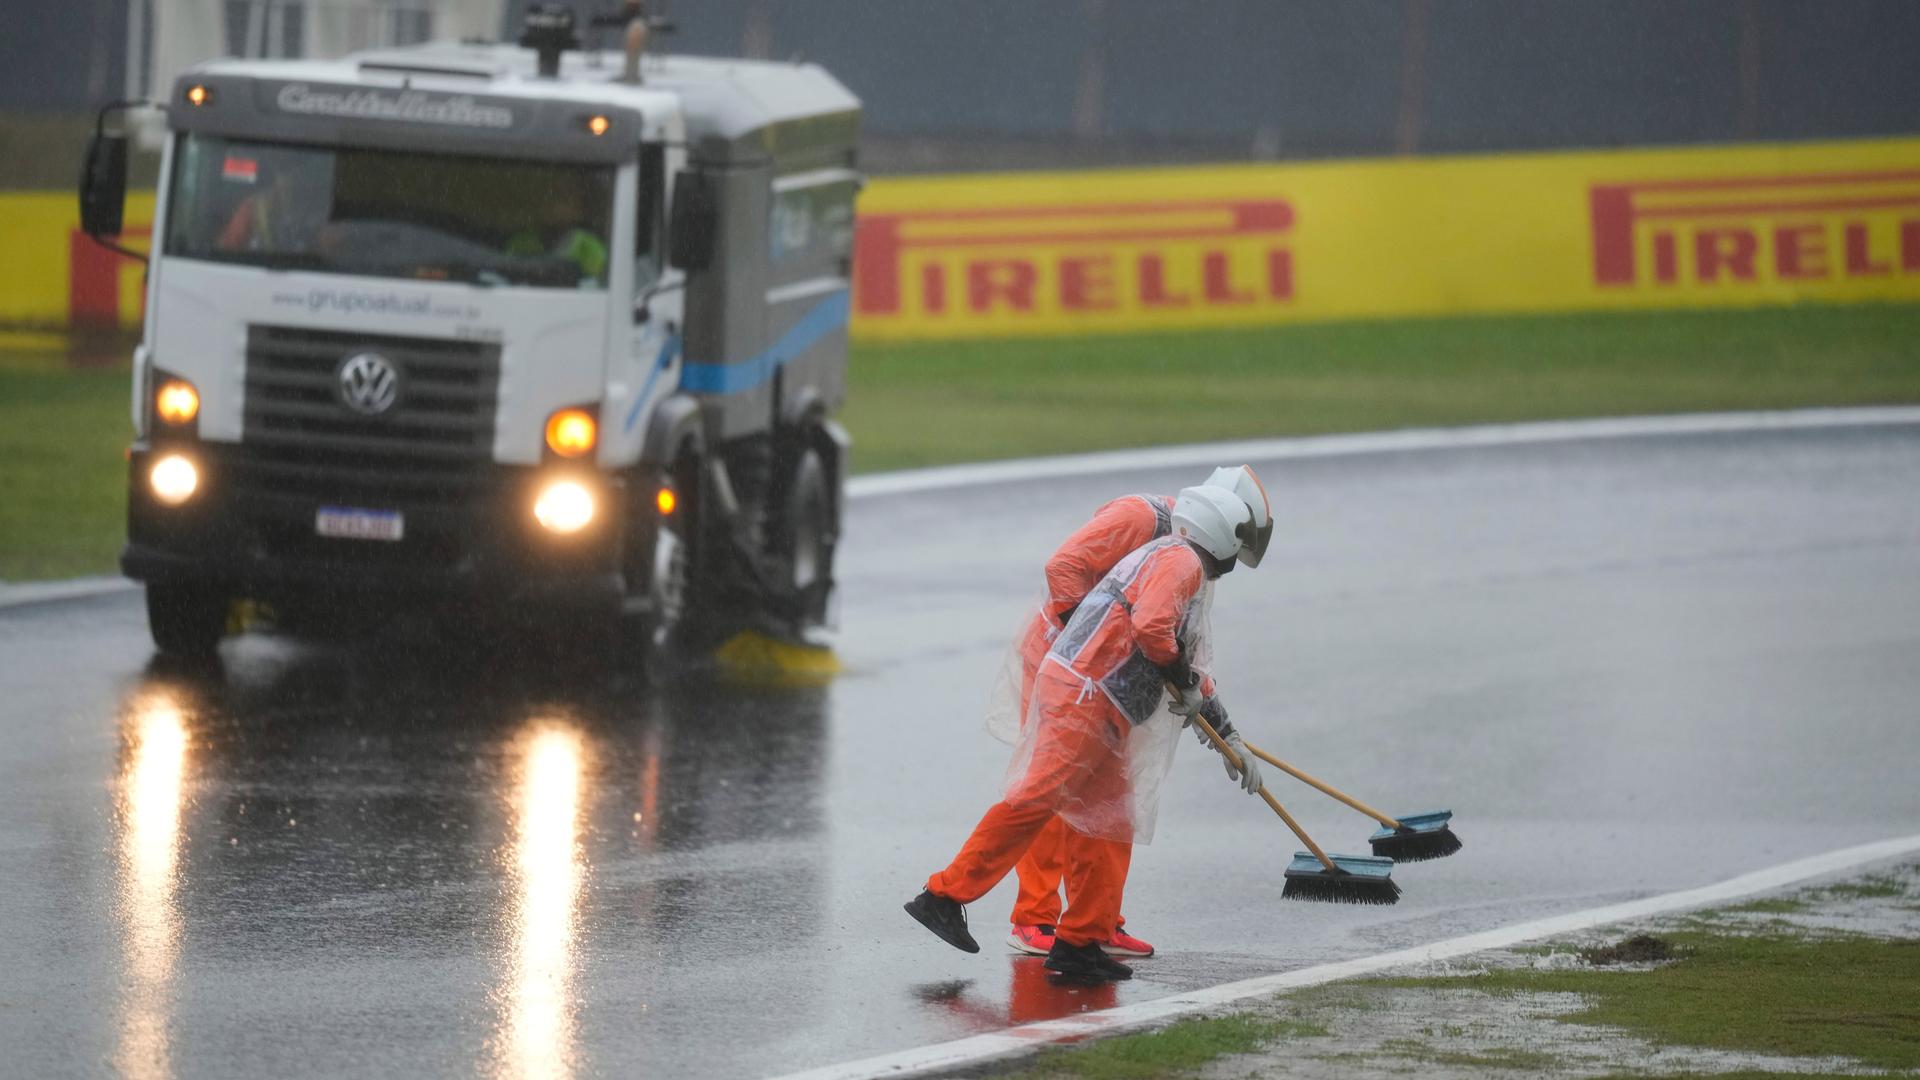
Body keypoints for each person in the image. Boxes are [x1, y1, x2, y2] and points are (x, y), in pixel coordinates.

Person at [907, 483, 1270, 982]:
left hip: (1098, 699)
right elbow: (1152, 628)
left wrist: (1231, 739)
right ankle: (943, 896)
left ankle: (1080, 942)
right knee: (1035, 800)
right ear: (1225, 535)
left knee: (1109, 817)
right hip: (1083, 696)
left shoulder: (1176, 558)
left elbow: (1179, 649)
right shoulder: (1180, 561)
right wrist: (1186, 681)